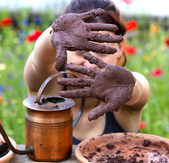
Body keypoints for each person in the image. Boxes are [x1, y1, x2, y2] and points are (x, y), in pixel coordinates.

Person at [24, 0, 150, 144]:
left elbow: (140, 90)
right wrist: (56, 31)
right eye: (78, 49)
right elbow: (39, 60)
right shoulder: (48, 84)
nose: (90, 64)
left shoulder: (125, 98)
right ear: (63, 46)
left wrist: (128, 86)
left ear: (120, 48)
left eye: (102, 50)